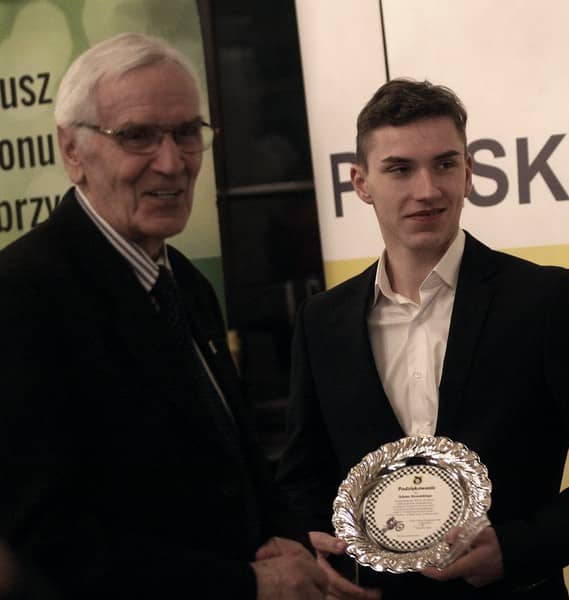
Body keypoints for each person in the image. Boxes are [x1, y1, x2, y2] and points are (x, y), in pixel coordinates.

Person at [276, 78, 569, 599]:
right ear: (361, 183)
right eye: (400, 169)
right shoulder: (322, 321)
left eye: (445, 164)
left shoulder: (542, 300)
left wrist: (516, 550)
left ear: (469, 172)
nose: (428, 190)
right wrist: (309, 543)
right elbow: (303, 478)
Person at [0, 33, 326, 600]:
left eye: (186, 133)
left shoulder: (186, 284)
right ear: (71, 151)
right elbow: (52, 542)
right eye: (137, 136)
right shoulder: (21, 295)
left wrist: (294, 545)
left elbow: (237, 466)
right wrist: (249, 584)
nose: (173, 163)